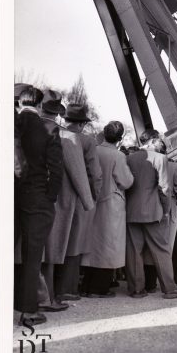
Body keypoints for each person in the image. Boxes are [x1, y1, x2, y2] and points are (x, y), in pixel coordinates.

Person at [14, 85, 63, 326]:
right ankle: (29, 310)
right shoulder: (49, 128)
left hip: (11, 195)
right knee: (32, 256)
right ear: (40, 105)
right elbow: (56, 169)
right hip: (37, 196)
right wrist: (50, 197)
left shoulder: (11, 122)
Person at [40, 99, 94, 310]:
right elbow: (80, 174)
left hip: (34, 196)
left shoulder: (25, 126)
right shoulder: (68, 137)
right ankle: (50, 297)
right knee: (53, 250)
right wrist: (89, 202)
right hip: (61, 199)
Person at [125, 129, 177, 299]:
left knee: (133, 251)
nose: (160, 143)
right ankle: (169, 289)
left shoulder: (129, 158)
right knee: (161, 250)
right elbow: (164, 188)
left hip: (131, 211)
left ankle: (136, 289)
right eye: (158, 140)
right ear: (151, 140)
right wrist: (165, 210)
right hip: (153, 211)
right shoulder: (160, 158)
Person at [80, 121, 134, 296]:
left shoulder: (94, 150)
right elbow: (126, 181)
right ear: (120, 138)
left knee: (91, 244)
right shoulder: (117, 156)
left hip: (90, 202)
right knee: (108, 245)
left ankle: (86, 284)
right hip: (111, 204)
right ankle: (100, 287)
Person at [58, 103, 103, 301]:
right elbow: (95, 173)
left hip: (55, 195)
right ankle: (67, 289)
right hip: (78, 197)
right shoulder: (86, 141)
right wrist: (95, 195)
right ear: (83, 123)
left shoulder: (57, 134)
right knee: (74, 243)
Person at [142, 140, 177, 294]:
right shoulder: (175, 166)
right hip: (170, 210)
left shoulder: (144, 163)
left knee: (149, 248)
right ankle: (171, 283)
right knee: (168, 248)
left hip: (149, 209)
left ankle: (150, 283)